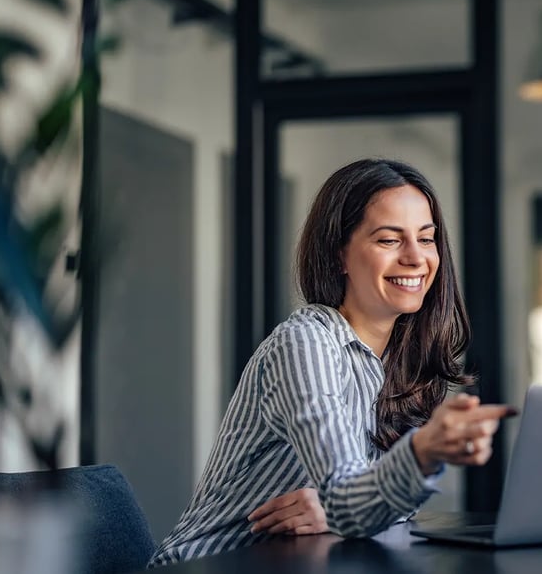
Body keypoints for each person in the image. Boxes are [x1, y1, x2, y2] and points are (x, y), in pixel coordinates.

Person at [149, 159, 513, 566]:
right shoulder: (305, 344)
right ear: (340, 254)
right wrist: (415, 458)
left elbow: (362, 507)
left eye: (426, 239)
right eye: (389, 240)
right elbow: (351, 500)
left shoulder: (401, 359)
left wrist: (336, 511)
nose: (416, 257)